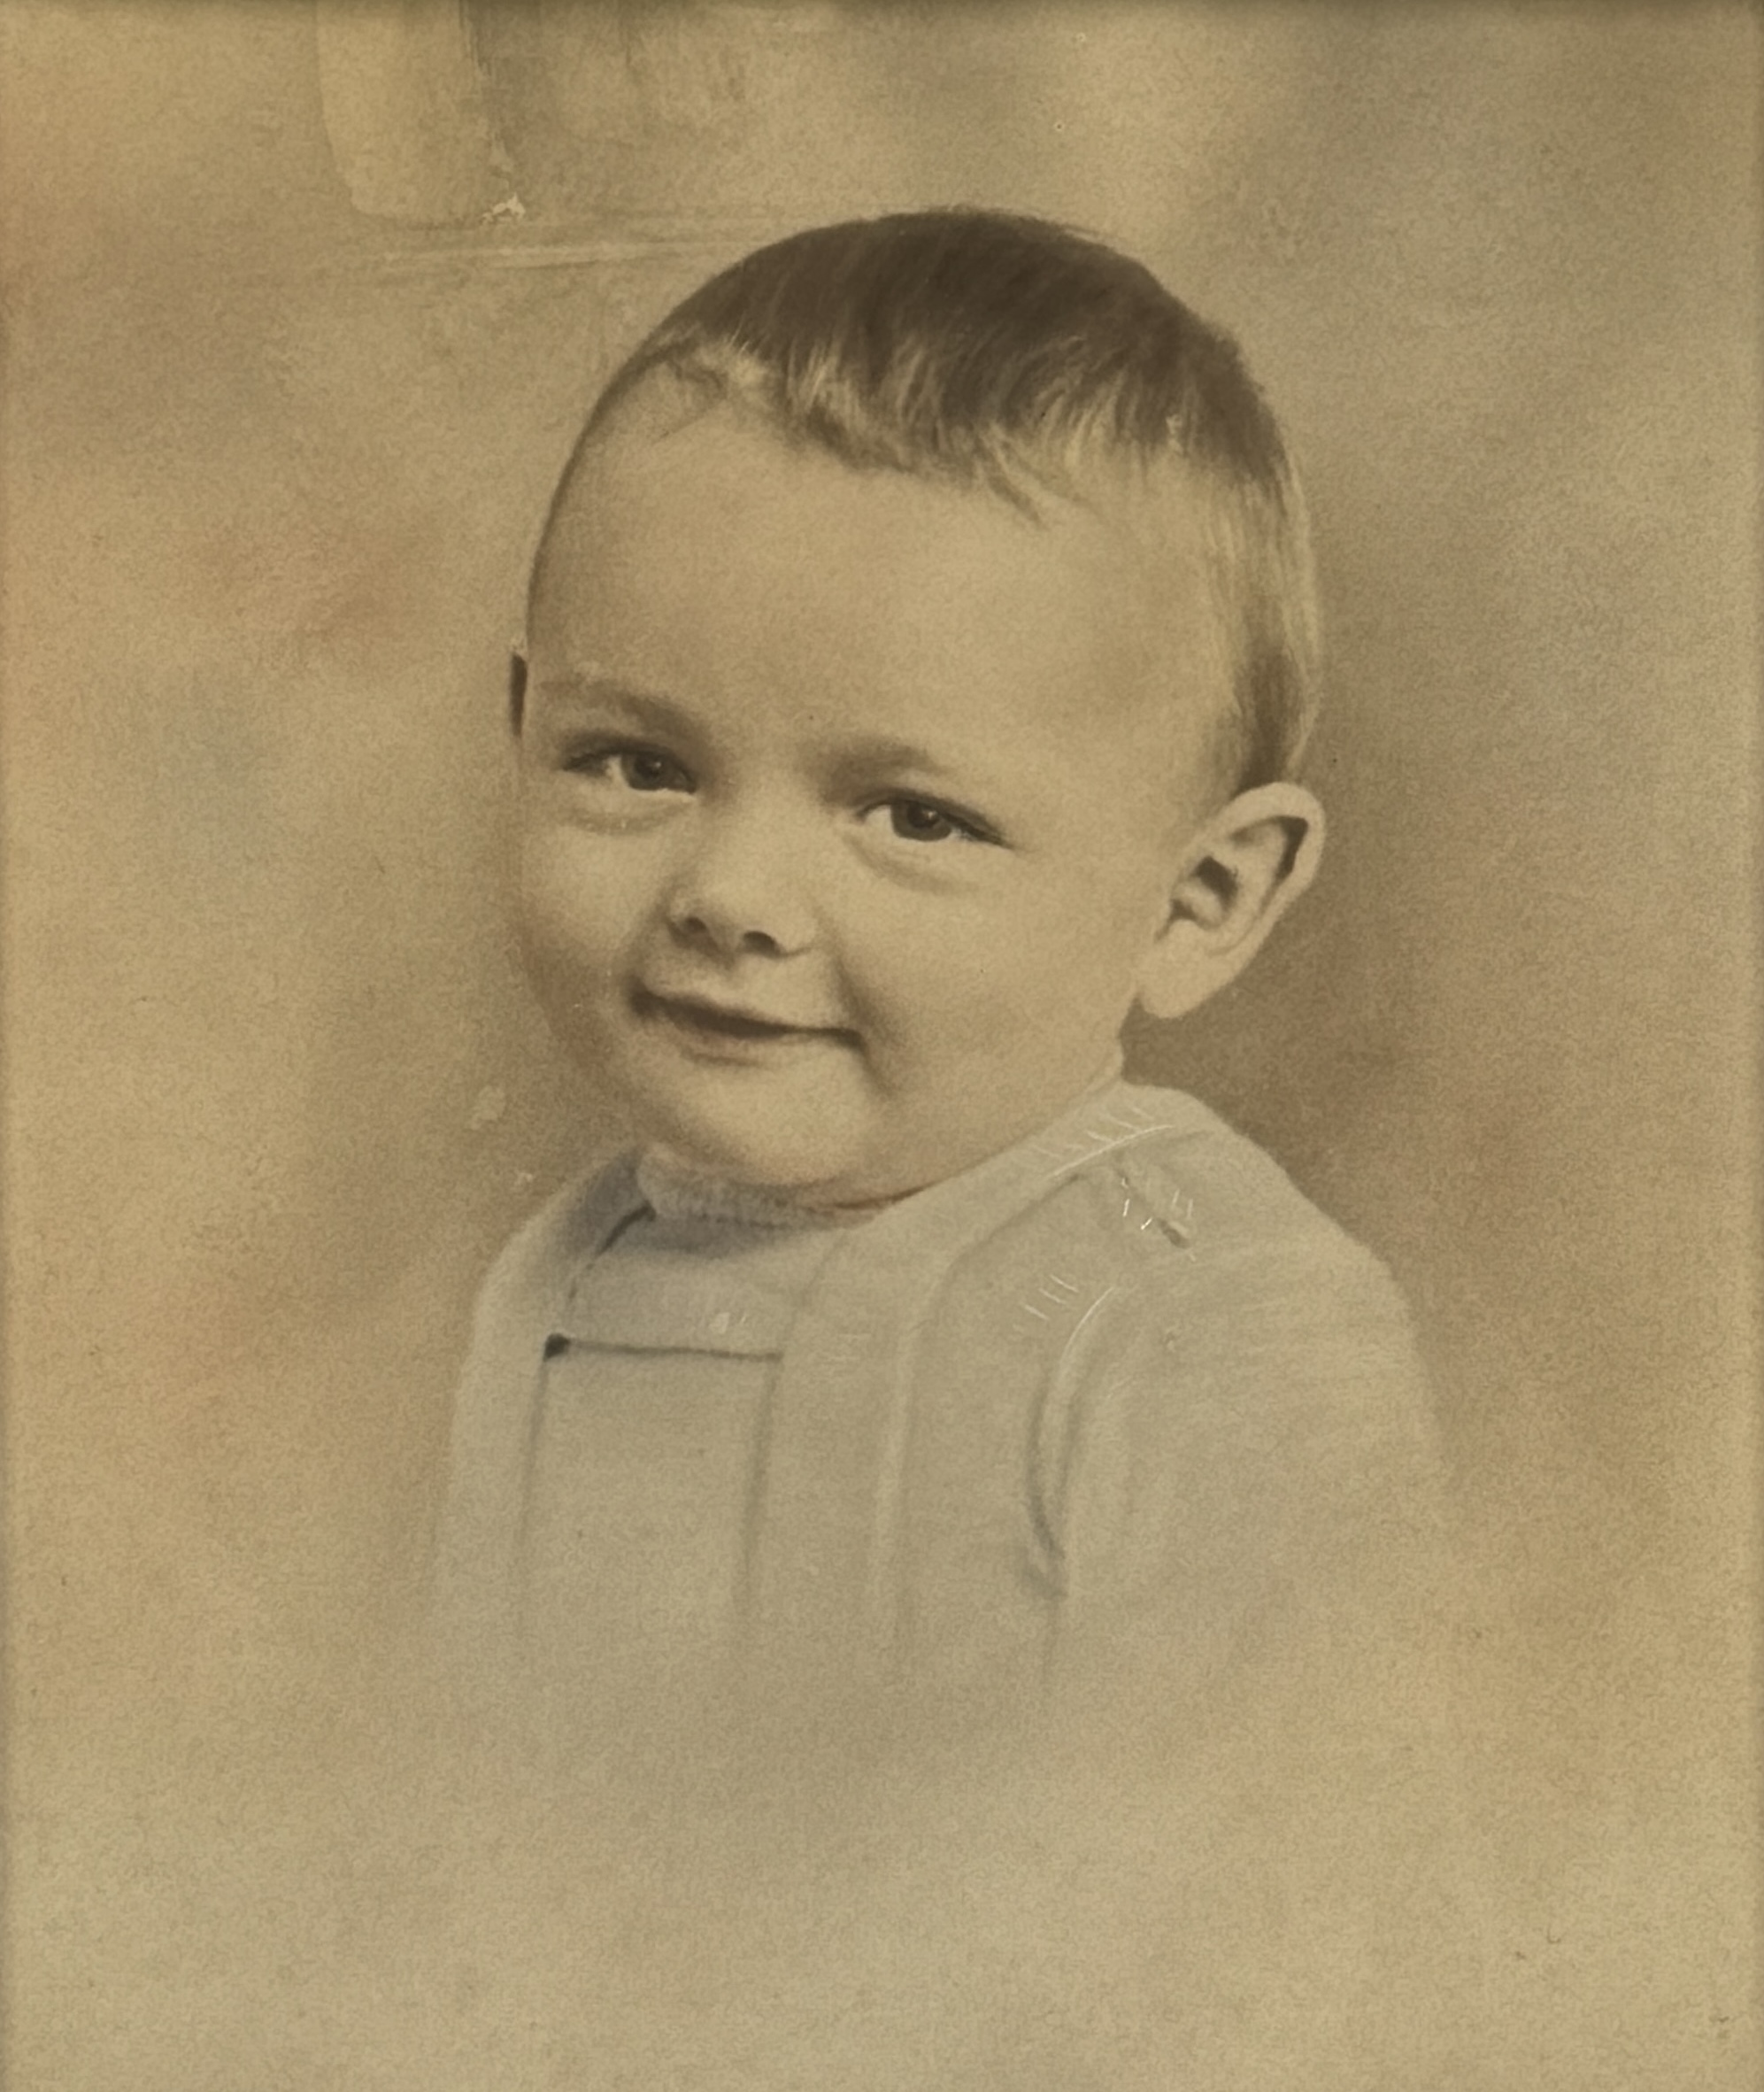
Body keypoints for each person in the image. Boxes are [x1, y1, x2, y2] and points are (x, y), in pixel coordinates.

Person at [418, 206, 1483, 2082]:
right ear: (520, 730)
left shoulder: (1208, 1323)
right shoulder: (564, 1277)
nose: (730, 895)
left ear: (1202, 901)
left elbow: (1311, 1943)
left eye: (911, 816)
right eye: (636, 764)